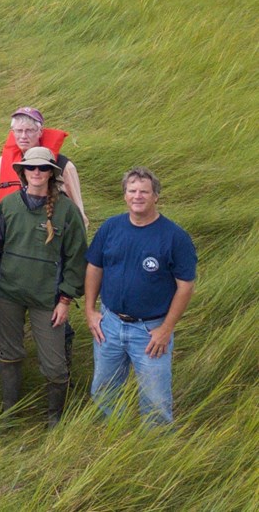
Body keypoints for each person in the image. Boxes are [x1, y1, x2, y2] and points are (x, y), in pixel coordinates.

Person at [0, 147, 87, 427]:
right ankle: (9, 411)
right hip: (7, 294)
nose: (37, 173)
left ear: (52, 173)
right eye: (31, 168)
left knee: (55, 365)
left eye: (43, 168)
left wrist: (65, 299)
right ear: (23, 172)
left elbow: (76, 259)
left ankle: (54, 417)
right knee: (9, 353)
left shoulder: (67, 211)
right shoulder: (8, 205)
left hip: (47, 299)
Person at [86, 167, 196, 426]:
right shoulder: (111, 227)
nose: (138, 196)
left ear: (155, 196)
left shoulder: (174, 237)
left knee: (155, 400)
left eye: (144, 191)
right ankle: (110, 437)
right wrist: (90, 311)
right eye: (132, 191)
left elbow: (186, 286)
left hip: (150, 332)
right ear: (124, 195)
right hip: (109, 326)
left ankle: (154, 449)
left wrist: (166, 329)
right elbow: (94, 267)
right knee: (104, 391)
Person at [0, 107, 88, 228]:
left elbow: (78, 215)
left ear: (40, 132)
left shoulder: (64, 166)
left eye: (29, 130)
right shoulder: (3, 162)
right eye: (19, 131)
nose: (23, 136)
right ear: (13, 132)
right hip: (11, 233)